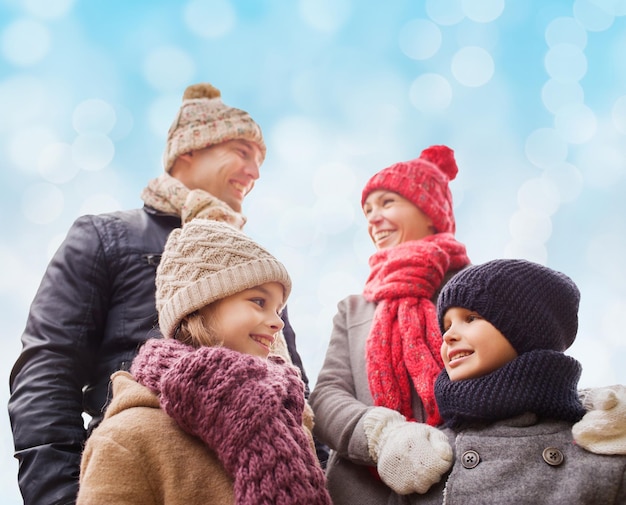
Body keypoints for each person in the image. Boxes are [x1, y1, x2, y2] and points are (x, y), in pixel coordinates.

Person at [8, 82, 310, 505]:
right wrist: (61, 496)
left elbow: (294, 379)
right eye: (242, 152)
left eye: (260, 162)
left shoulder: (256, 269)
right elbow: (48, 368)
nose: (255, 173)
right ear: (189, 151)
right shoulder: (105, 236)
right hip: (144, 474)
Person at [76, 219, 331, 504]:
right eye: (259, 301)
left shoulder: (288, 419)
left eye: (278, 310)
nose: (277, 323)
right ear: (199, 306)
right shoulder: (127, 438)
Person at [309, 145, 472, 504]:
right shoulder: (353, 309)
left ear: (431, 212)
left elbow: (505, 378)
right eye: (368, 210)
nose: (373, 218)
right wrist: (383, 437)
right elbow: (326, 396)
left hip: (459, 484)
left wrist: (440, 445)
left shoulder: (476, 290)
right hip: (359, 491)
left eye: (387, 203)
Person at [392, 258, 626, 504]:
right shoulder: (428, 456)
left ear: (527, 330)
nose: (449, 335)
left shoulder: (601, 442)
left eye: (470, 318)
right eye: (446, 326)